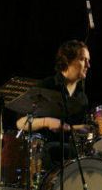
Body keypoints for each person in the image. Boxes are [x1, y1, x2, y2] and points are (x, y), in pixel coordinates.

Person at [15, 40, 91, 168]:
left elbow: (75, 130)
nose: (88, 65)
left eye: (88, 60)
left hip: (71, 158)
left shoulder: (82, 97)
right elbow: (20, 123)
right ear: (67, 60)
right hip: (43, 157)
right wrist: (47, 122)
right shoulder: (46, 87)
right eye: (83, 59)